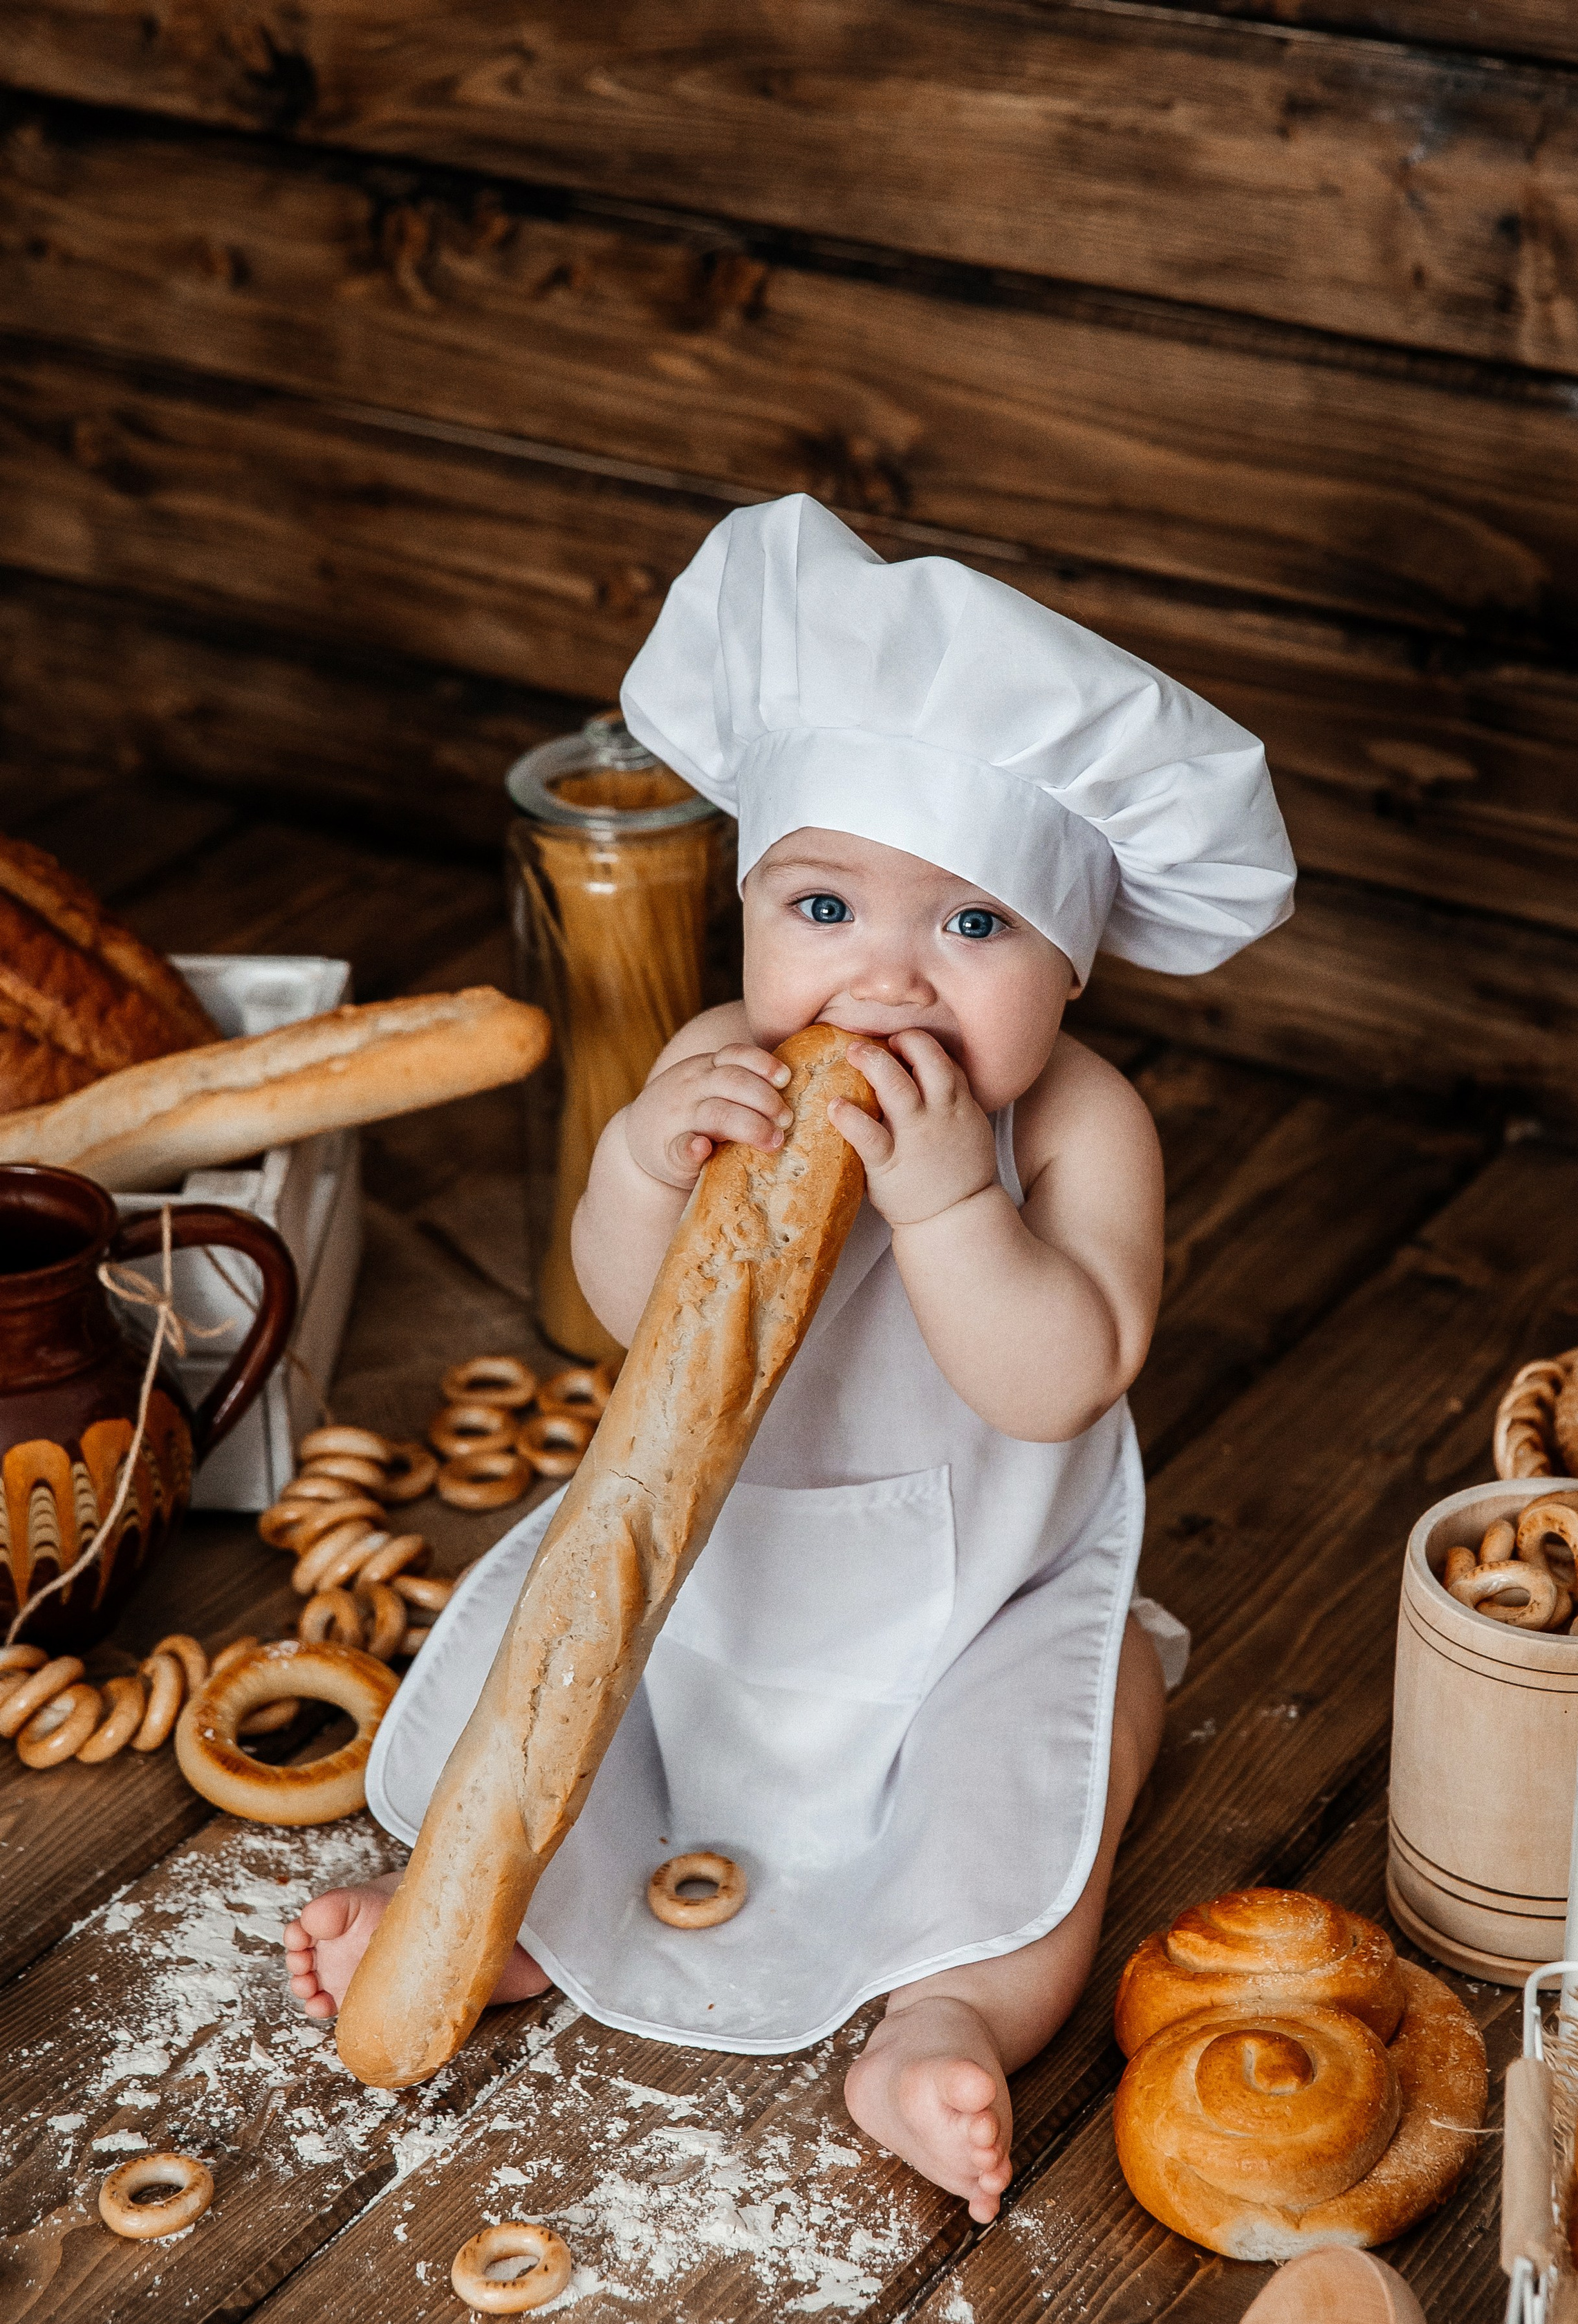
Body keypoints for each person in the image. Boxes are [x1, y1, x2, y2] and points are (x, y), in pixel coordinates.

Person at [286, 496, 1294, 2221]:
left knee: (1080, 1729)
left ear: (1071, 963)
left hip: (979, 1607)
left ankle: (942, 2016)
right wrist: (631, 1168)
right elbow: (620, 1305)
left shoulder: (1074, 1126)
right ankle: (495, 1915)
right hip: (711, 1588)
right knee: (557, 1703)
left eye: (972, 929)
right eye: (823, 904)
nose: (888, 977)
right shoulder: (714, 1063)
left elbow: (1058, 1380)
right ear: (749, 905)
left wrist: (949, 1205)